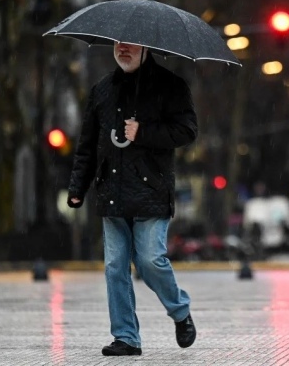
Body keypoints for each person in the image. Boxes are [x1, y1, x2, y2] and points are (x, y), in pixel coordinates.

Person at [66, 42, 197, 356]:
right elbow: (87, 145)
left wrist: (145, 132)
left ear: (147, 47)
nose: (122, 49)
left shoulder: (171, 86)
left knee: (151, 260)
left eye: (130, 44)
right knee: (115, 267)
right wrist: (77, 188)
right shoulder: (102, 91)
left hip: (151, 191)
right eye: (118, 43)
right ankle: (126, 336)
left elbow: (188, 131)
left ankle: (180, 311)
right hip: (111, 191)